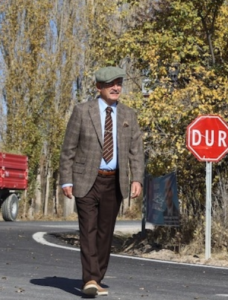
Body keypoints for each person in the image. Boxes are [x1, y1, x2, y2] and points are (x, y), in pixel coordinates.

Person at [59, 66, 145, 297]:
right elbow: (68, 149)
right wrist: (66, 180)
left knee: (105, 233)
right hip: (86, 179)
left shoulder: (128, 115)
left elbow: (136, 150)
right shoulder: (81, 111)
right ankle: (90, 279)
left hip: (114, 181)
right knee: (88, 229)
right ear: (99, 87)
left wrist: (137, 178)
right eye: (111, 84)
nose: (116, 87)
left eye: (119, 83)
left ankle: (97, 277)